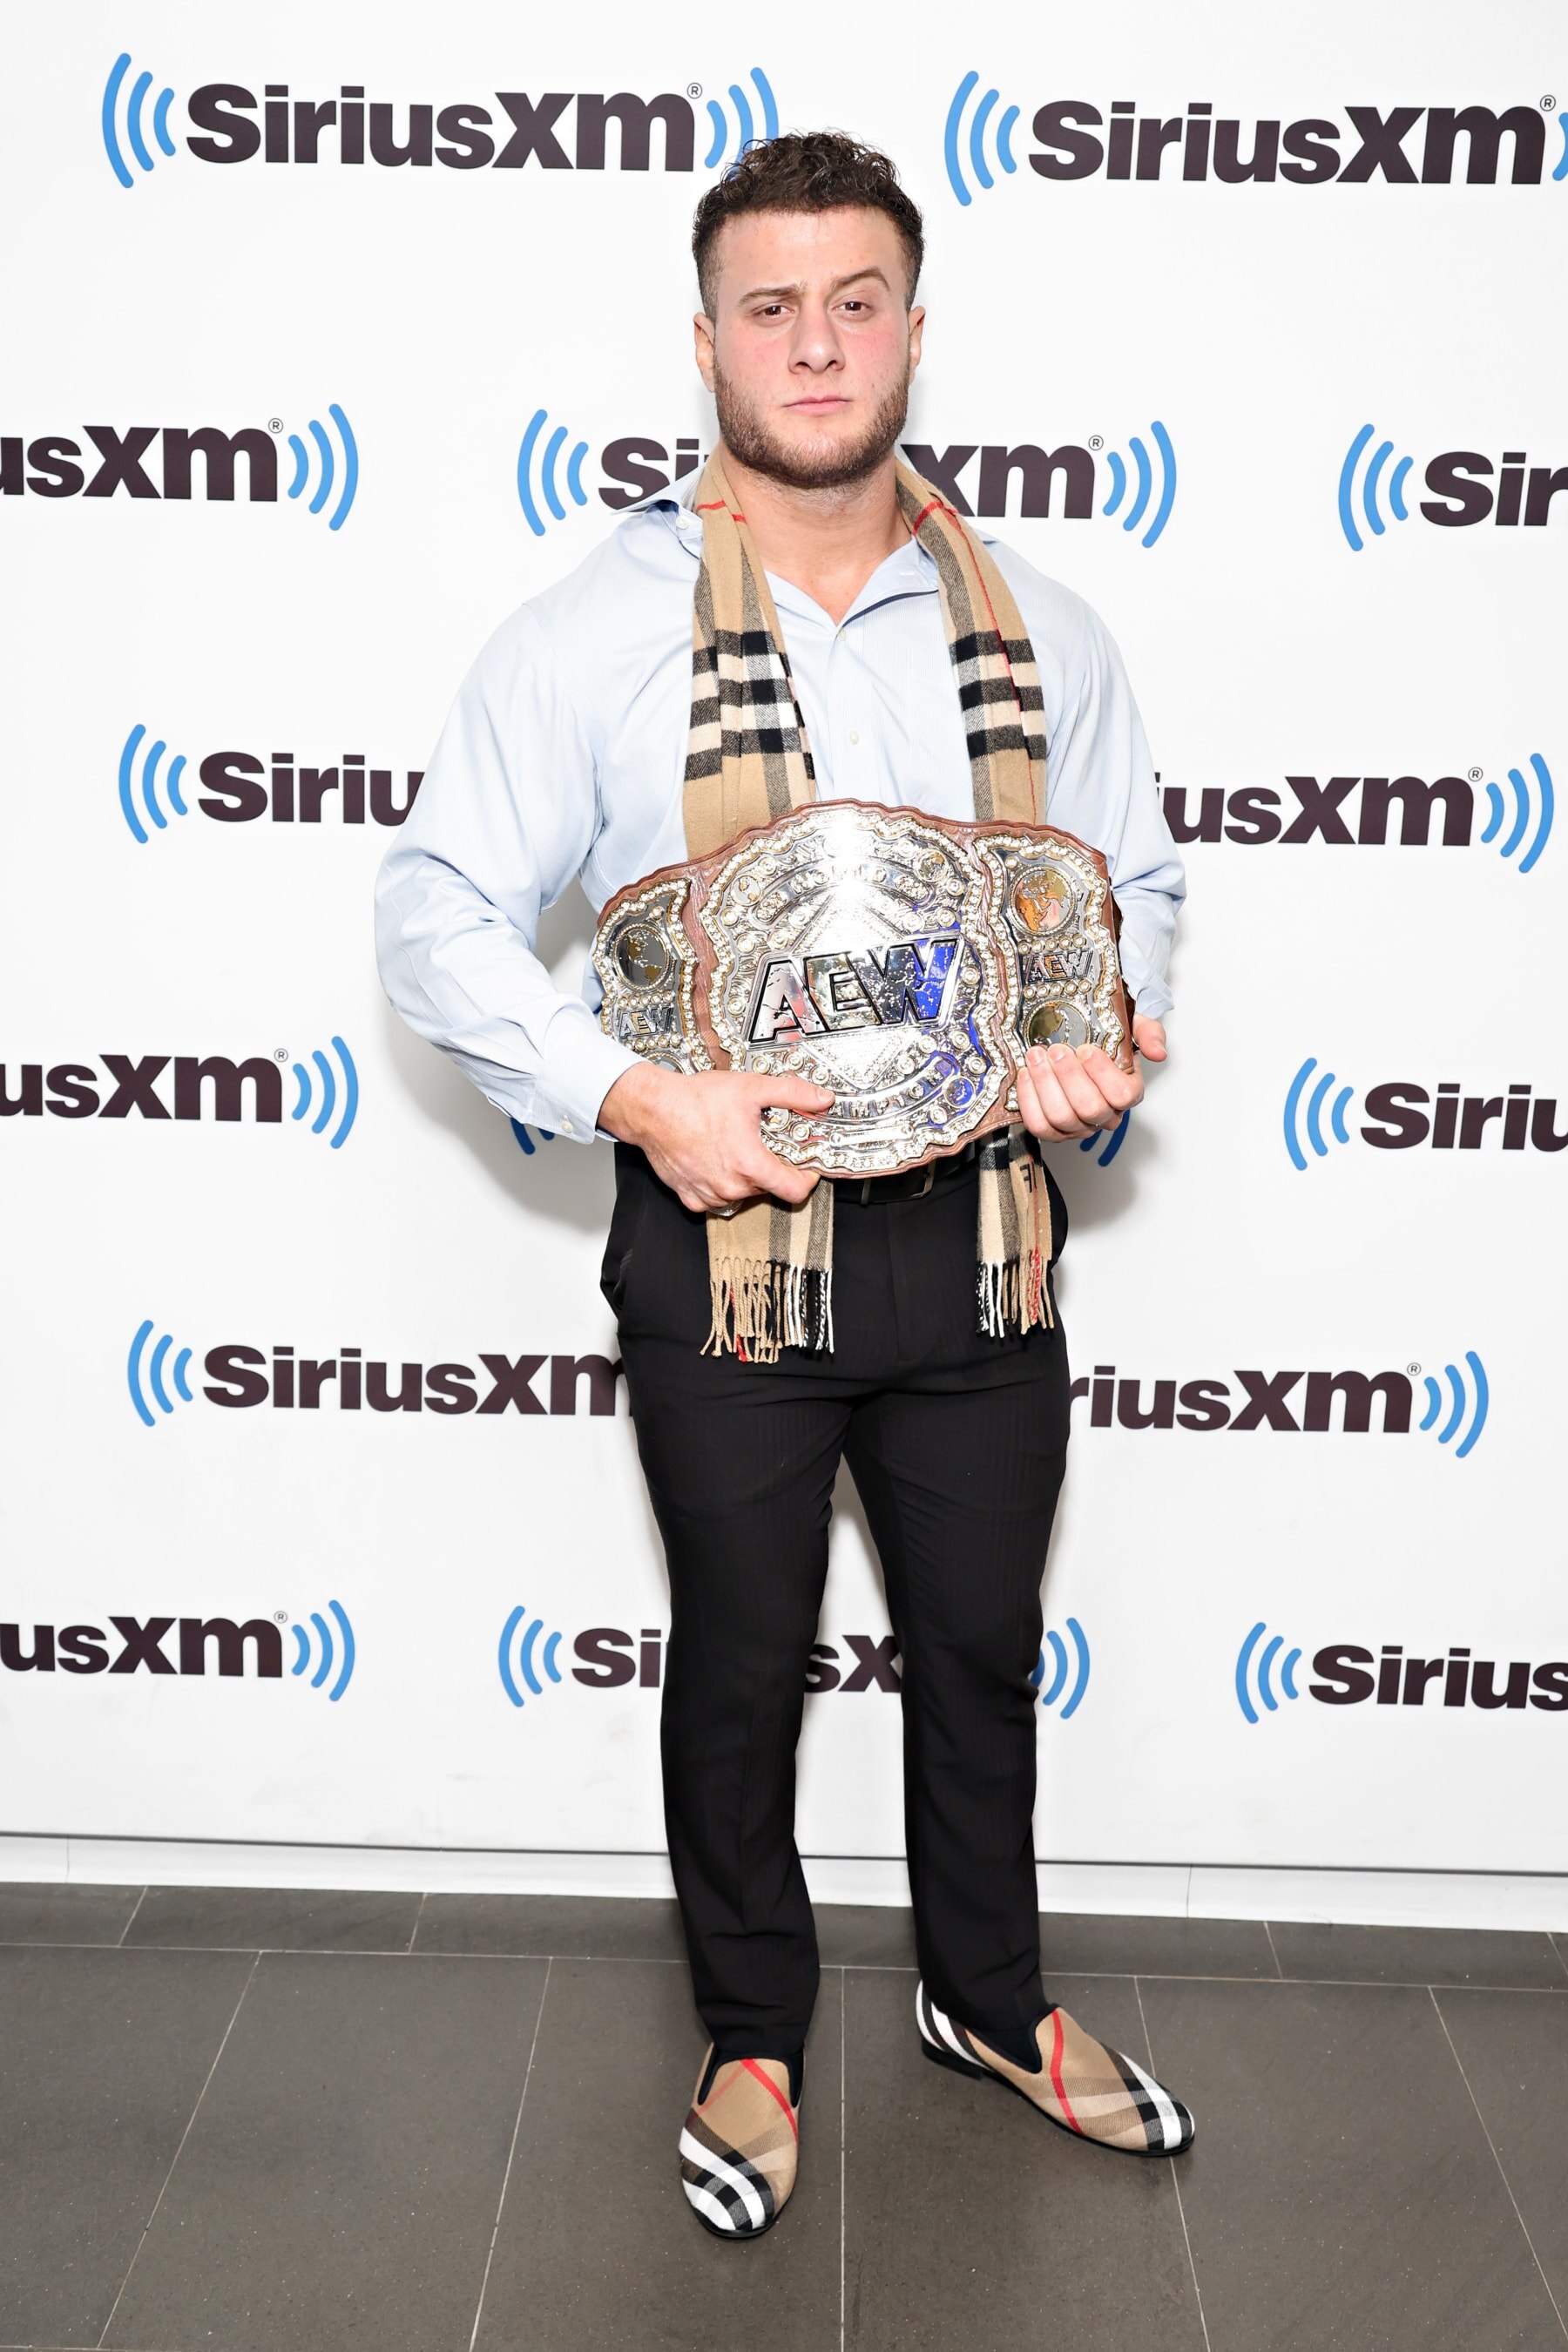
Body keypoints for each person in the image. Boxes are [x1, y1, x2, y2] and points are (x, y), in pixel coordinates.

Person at [375, 131, 1193, 2241]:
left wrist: (1106, 1034)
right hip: (725, 1248)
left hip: (983, 1241)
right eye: (770, 306)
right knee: (743, 1663)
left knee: (982, 1656)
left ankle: (986, 2000)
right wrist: (642, 1099)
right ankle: (753, 2030)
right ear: (708, 340)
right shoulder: (594, 627)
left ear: (915, 328)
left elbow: (1131, 887)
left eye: (855, 302)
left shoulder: (1046, 624)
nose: (814, 344)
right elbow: (440, 913)